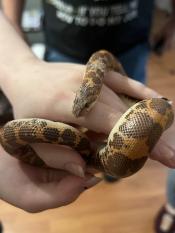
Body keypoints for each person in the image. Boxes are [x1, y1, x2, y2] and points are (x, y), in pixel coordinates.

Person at [0, 0, 175, 232]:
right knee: (71, 117)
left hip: (131, 42)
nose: (82, 109)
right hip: (63, 43)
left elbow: (101, 64)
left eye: (85, 104)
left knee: (124, 96)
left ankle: (111, 170)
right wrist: (18, 60)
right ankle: (109, 165)